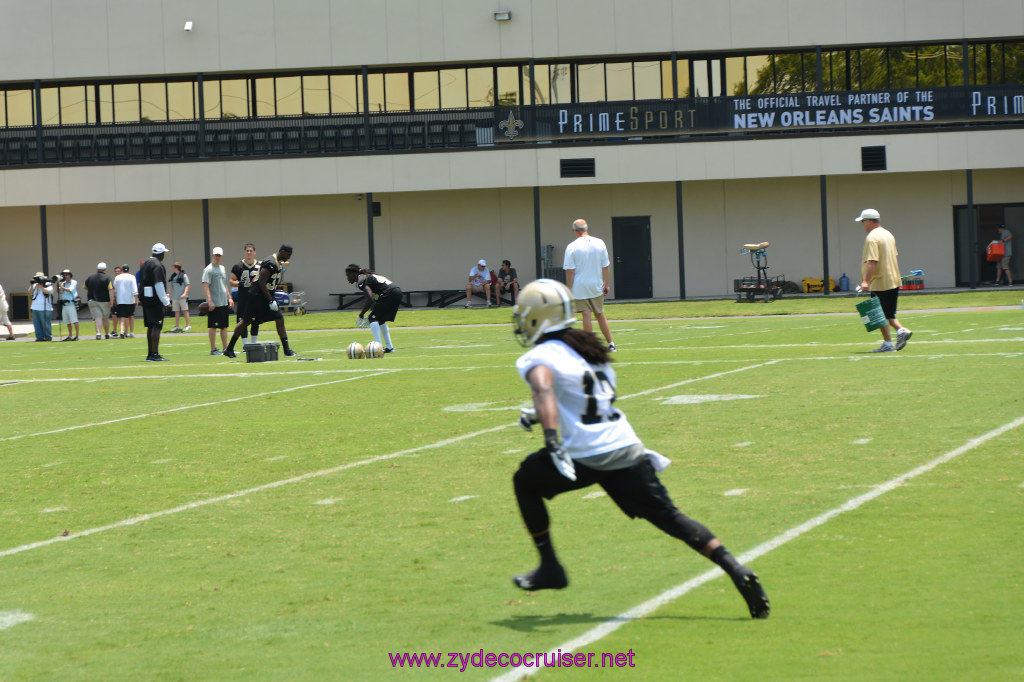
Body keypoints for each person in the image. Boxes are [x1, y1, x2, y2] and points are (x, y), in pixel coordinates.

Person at [508, 279, 770, 619]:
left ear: (536, 318)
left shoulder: (542, 355)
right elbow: (582, 397)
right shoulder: (589, 351)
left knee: (524, 481)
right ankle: (735, 568)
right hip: (625, 448)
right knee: (670, 517)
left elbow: (544, 388)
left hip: (586, 454)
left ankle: (550, 567)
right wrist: (538, 413)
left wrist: (551, 438)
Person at [222, 244, 297, 359]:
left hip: (266, 296)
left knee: (279, 319)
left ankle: (286, 349)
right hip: (257, 297)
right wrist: (271, 300)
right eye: (288, 254)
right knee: (245, 322)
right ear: (282, 251)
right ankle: (229, 348)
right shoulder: (270, 262)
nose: (289, 257)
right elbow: (261, 282)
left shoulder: (276, 262)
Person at [856, 208, 912, 352]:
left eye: (863, 222)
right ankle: (895, 336)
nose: (862, 225)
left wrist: (866, 282)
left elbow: (872, 261)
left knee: (879, 314)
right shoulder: (888, 234)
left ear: (868, 221)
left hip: (880, 281)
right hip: (893, 279)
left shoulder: (872, 238)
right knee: (887, 314)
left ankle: (894, 337)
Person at [563, 218, 616, 351]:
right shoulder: (600, 243)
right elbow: (606, 267)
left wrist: (568, 289)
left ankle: (589, 346)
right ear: (586, 229)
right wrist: (606, 284)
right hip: (596, 284)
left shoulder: (572, 246)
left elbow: (570, 271)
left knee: (586, 314)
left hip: (579, 287)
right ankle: (611, 344)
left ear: (575, 231)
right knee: (600, 314)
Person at [345, 264, 400, 353]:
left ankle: (378, 349)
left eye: (348, 276)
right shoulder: (366, 276)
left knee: (372, 318)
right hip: (396, 291)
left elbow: (370, 299)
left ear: (353, 274)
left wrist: (361, 315)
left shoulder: (361, 280)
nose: (347, 279)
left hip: (389, 293)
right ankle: (389, 348)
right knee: (380, 320)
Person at [139, 243, 171, 361]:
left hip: (146, 298)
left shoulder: (145, 264)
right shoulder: (157, 265)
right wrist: (166, 301)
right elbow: (159, 284)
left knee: (150, 326)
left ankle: (150, 354)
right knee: (157, 326)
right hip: (154, 299)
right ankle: (155, 354)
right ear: (161, 253)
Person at [201, 247, 234, 355]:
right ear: (212, 256)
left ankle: (226, 348)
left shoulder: (222, 268)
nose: (217, 257)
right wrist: (210, 301)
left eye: (219, 255)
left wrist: (229, 298)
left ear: (222, 256)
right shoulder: (208, 269)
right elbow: (205, 286)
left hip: (223, 302)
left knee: (224, 326)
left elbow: (224, 285)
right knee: (213, 326)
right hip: (214, 303)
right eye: (216, 255)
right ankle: (213, 349)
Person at [230, 242, 261, 344]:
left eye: (251, 251)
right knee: (242, 321)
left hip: (256, 298)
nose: (249, 252)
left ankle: (254, 344)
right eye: (247, 251)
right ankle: (245, 345)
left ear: (254, 252)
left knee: (255, 321)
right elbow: (231, 281)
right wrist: (239, 283)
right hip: (243, 297)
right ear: (244, 252)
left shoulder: (260, 265)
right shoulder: (238, 266)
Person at [84, 263, 114, 339]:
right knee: (105, 318)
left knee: (98, 317)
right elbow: (111, 289)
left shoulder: (90, 276)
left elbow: (85, 287)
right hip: (104, 301)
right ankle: (107, 334)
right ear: (105, 269)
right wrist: (112, 300)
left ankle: (98, 333)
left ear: (97, 269)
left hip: (92, 300)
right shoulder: (107, 278)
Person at [112, 265, 138, 338]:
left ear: (122, 270)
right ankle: (132, 332)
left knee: (122, 316)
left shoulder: (117, 277)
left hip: (121, 300)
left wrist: (115, 298)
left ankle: (122, 331)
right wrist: (136, 299)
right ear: (128, 270)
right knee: (131, 316)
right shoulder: (132, 277)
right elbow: (134, 289)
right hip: (130, 300)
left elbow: (115, 289)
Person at [28, 272, 54, 342]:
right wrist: (32, 284)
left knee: (45, 323)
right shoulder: (35, 285)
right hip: (35, 307)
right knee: (36, 324)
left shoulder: (48, 284)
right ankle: (39, 337)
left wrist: (40, 286)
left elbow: (47, 291)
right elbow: (30, 292)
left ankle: (48, 336)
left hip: (44, 308)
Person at [56, 269, 80, 341]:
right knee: (67, 321)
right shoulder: (63, 283)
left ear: (69, 275)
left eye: (66, 274)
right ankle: (70, 335)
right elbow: (58, 292)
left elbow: (70, 290)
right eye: (64, 275)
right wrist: (58, 285)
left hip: (71, 304)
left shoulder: (73, 282)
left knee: (74, 320)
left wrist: (61, 286)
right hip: (64, 304)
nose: (65, 276)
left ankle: (77, 336)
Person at [168, 262, 192, 332]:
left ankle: (188, 325)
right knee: (176, 312)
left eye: (173, 267)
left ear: (176, 268)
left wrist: (184, 293)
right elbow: (170, 285)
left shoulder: (184, 276)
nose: (172, 268)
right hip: (175, 297)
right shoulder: (172, 277)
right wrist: (168, 293)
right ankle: (177, 326)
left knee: (185, 311)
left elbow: (187, 285)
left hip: (182, 297)